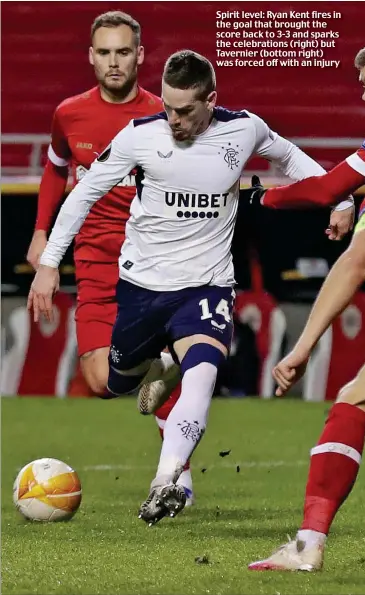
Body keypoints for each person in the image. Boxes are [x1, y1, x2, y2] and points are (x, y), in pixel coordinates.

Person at [27, 49, 353, 525]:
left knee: (204, 370)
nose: (174, 119)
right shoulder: (141, 136)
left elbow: (288, 156)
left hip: (207, 285)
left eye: (185, 110)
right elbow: (84, 193)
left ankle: (167, 480)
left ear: (211, 100)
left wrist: (339, 197)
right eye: (168, 108)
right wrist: (50, 262)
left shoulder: (243, 129)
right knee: (113, 381)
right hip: (142, 286)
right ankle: (161, 367)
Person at [250, 36, 365, 523]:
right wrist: (269, 199)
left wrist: (257, 200)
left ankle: (309, 538)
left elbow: (337, 200)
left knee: (363, 400)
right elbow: (333, 187)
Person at [25, 11, 194, 501]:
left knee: (165, 371)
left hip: (153, 259)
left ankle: (176, 481)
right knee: (100, 379)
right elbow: (57, 171)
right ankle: (161, 367)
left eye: (124, 52)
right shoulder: (69, 114)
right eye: (104, 52)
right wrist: (42, 236)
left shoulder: (168, 113)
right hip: (95, 259)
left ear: (140, 56)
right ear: (91, 56)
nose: (114, 62)